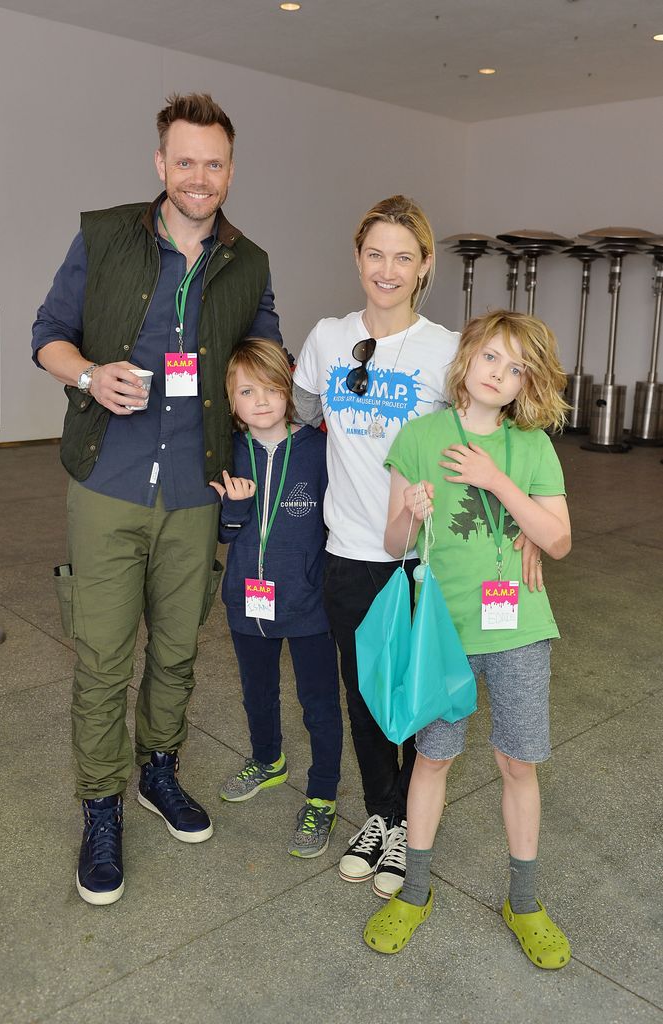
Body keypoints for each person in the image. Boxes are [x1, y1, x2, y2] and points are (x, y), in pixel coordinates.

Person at [31, 92, 281, 906]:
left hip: (194, 489)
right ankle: (100, 804)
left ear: (230, 171)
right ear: (160, 164)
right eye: (185, 161)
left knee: (176, 651)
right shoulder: (104, 235)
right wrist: (88, 375)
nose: (199, 177)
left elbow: (264, 364)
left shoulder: (249, 262)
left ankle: (158, 771)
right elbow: (46, 333)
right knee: (103, 658)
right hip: (107, 481)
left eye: (214, 164)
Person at [364, 310, 572, 970]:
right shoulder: (420, 437)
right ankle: (415, 891)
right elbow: (392, 543)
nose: (499, 374)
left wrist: (496, 481)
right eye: (491, 357)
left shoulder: (531, 446)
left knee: (518, 763)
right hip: (443, 635)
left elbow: (557, 540)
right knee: (433, 759)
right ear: (468, 355)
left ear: (526, 384)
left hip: (519, 631)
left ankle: (524, 901)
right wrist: (410, 512)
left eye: (517, 369)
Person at [292, 195, 459, 898]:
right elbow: (303, 410)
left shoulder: (446, 350)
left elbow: (478, 440)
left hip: (420, 560)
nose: (386, 270)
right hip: (349, 553)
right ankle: (381, 816)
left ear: (424, 265)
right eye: (374, 254)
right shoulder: (327, 338)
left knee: (415, 699)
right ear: (357, 259)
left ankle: (405, 820)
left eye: (402, 257)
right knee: (363, 698)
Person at [210, 338, 343, 858]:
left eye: (271, 388)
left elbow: (340, 520)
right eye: (247, 391)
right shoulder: (228, 451)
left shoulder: (318, 449)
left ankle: (323, 794)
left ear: (290, 391)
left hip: (308, 603)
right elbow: (222, 532)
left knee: (319, 703)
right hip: (247, 599)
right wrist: (236, 510)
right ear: (231, 400)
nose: (261, 401)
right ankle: (268, 760)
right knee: (256, 691)